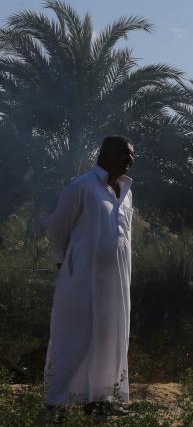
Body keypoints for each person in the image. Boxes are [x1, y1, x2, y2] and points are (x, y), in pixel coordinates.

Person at [44, 136, 135, 407]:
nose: (130, 160)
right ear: (105, 154)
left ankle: (101, 398)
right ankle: (56, 402)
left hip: (116, 281)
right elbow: (57, 229)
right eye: (125, 154)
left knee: (111, 336)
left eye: (132, 155)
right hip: (81, 277)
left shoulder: (127, 191)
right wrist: (66, 262)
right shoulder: (82, 187)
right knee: (74, 336)